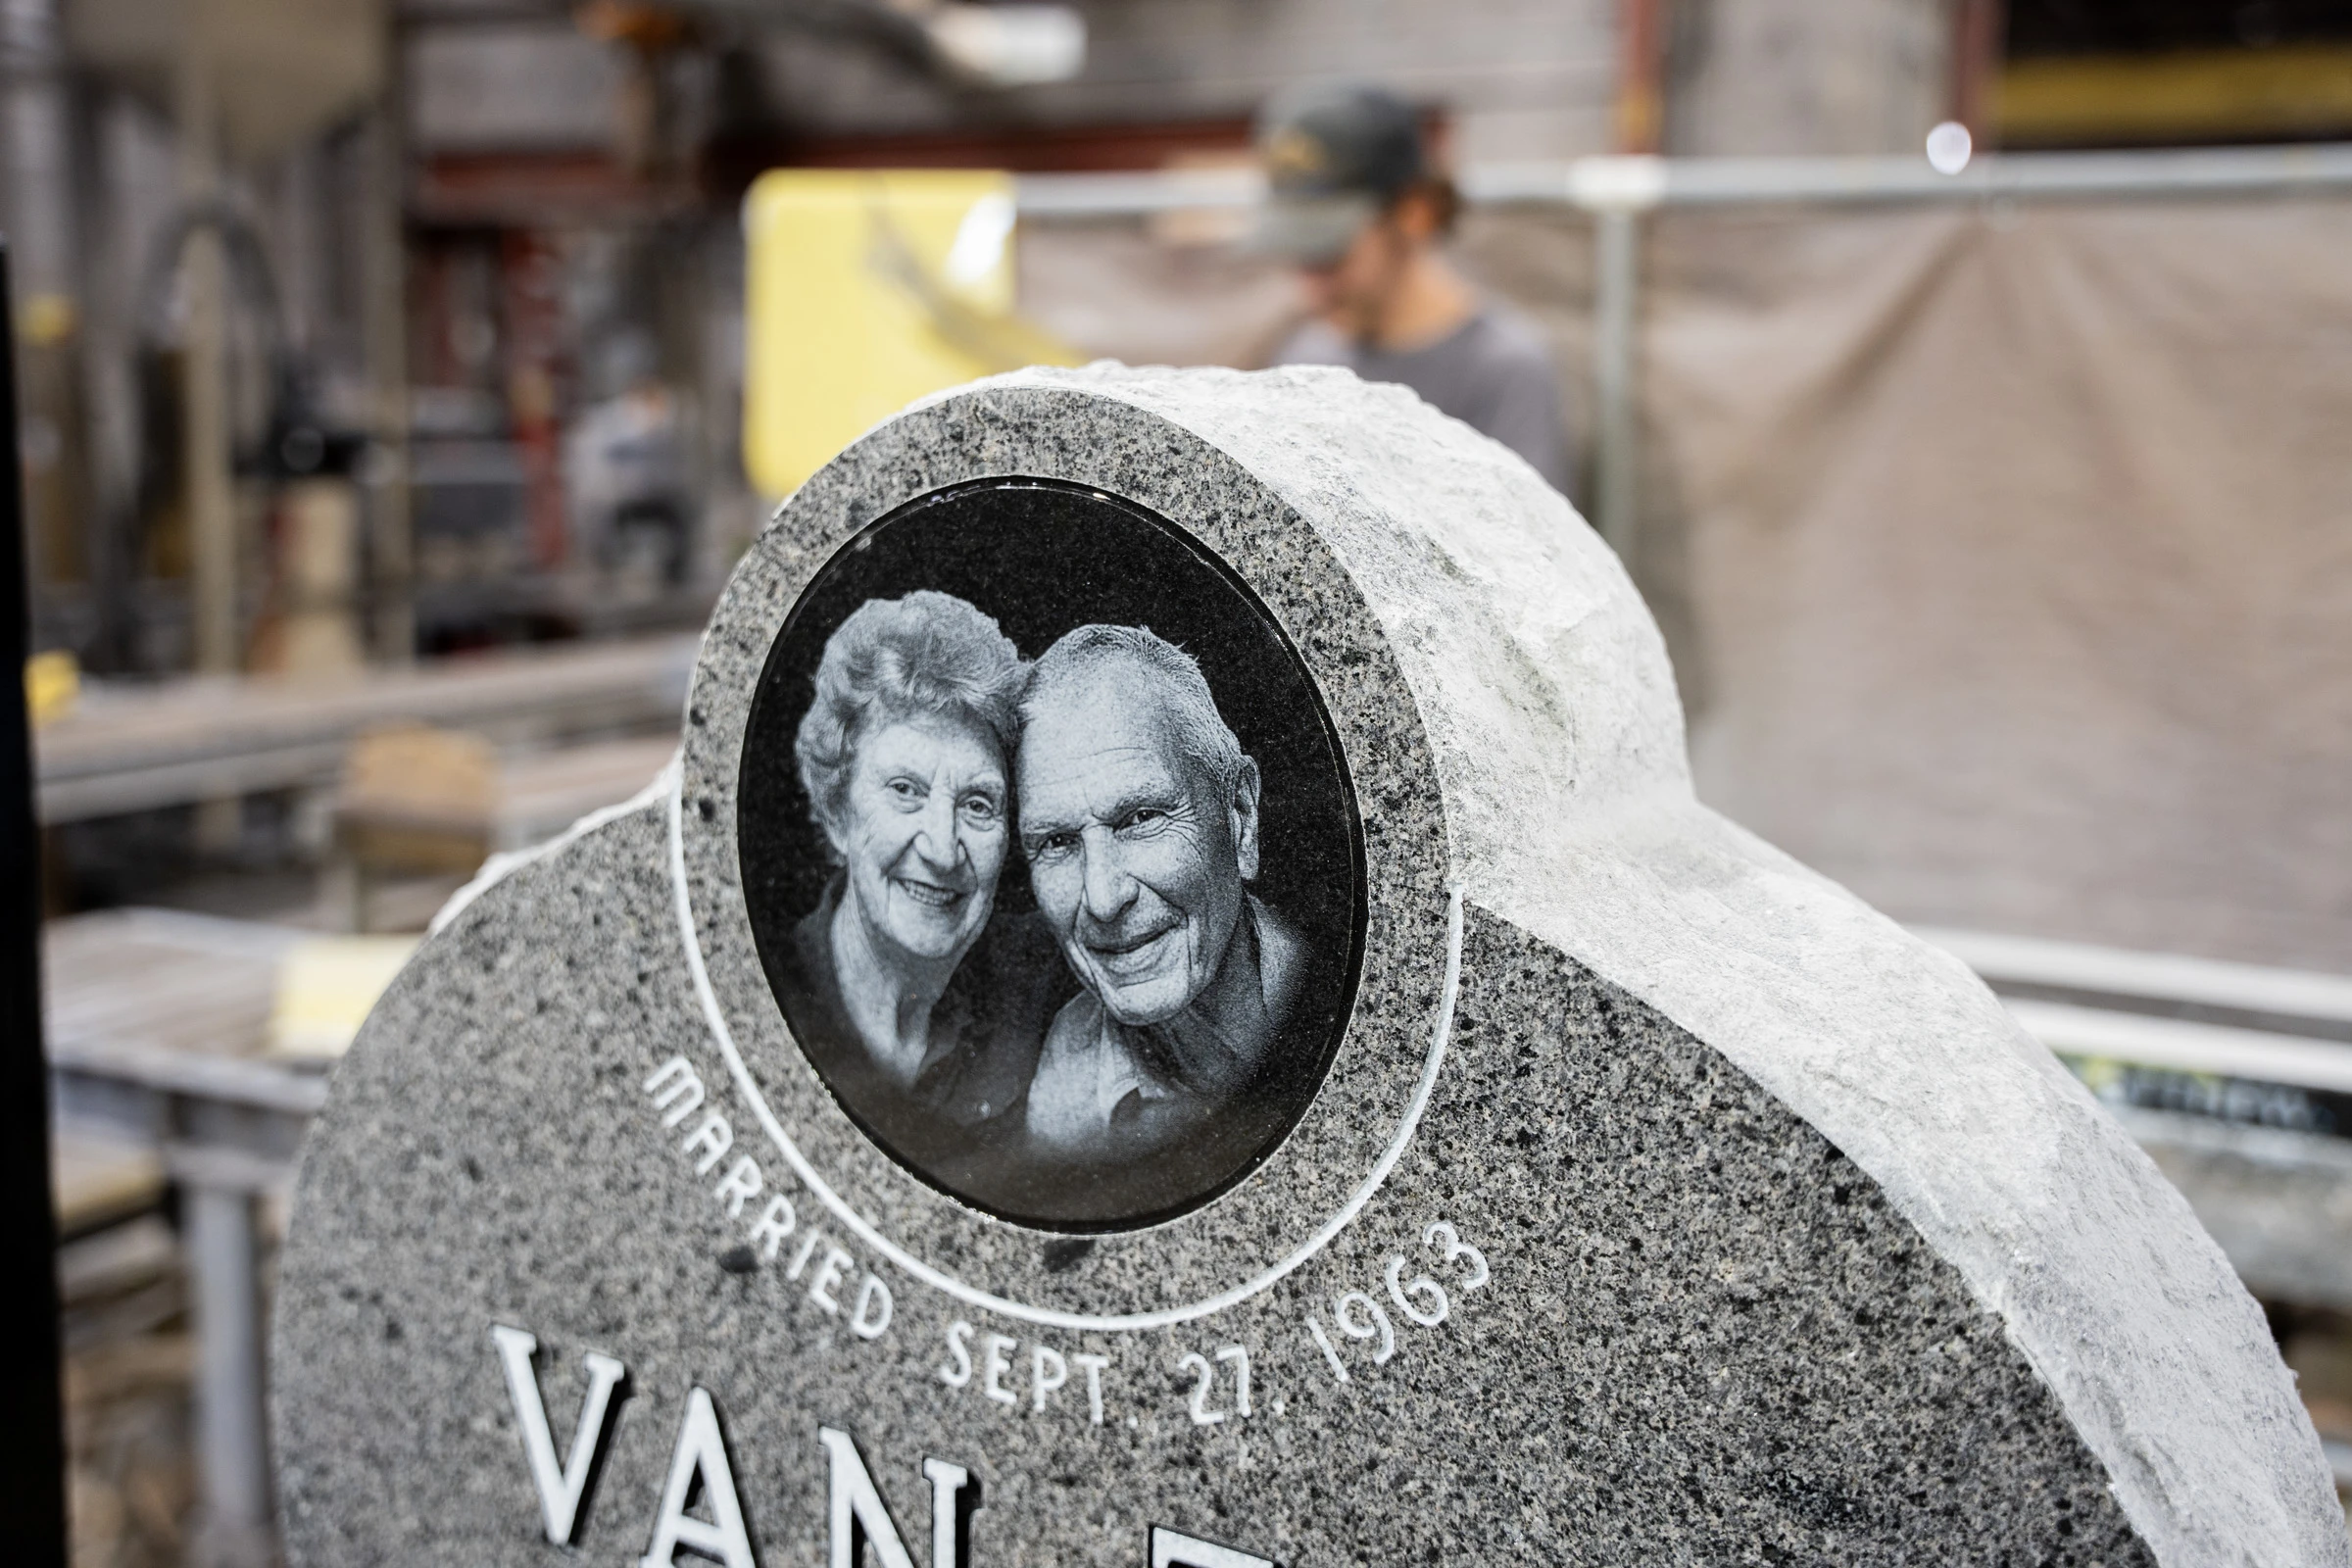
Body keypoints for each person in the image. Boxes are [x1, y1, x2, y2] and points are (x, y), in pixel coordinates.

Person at [783, 591, 1067, 1181]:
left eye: (978, 803)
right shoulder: (779, 988)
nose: (942, 848)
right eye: (905, 790)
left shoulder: (1046, 989)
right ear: (837, 813)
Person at [1013, 625, 1307, 1165]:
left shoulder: (1330, 984)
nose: (1104, 899)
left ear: (1240, 817)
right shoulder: (1063, 1082)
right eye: (1057, 842)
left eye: (1141, 818)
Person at [1254, 80, 1573, 493]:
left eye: (1329, 254)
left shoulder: (1504, 373)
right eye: (1296, 255)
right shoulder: (1306, 359)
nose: (1311, 289)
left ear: (1415, 213)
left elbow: (1530, 531)